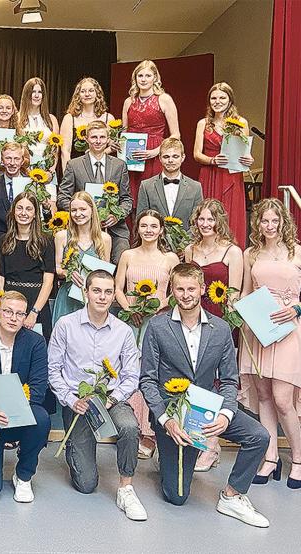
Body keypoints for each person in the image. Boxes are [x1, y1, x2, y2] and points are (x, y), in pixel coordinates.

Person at [139, 263, 270, 526]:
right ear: (172, 290)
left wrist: (225, 414)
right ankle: (165, 454)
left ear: (202, 289)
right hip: (173, 414)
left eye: (191, 288)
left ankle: (232, 496)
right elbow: (147, 380)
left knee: (259, 436)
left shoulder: (220, 329)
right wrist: (167, 421)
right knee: (176, 497)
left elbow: (231, 380)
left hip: (210, 410)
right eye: (180, 289)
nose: (186, 295)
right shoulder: (157, 326)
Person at [48, 269, 146, 521]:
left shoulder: (124, 331)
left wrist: (112, 399)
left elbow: (131, 376)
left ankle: (126, 487)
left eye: (108, 292)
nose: (102, 297)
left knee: (129, 427)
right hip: (77, 401)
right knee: (86, 484)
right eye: (97, 291)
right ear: (86, 292)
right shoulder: (65, 325)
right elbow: (53, 371)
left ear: (114, 296)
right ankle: (75, 448)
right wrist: (72, 400)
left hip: (111, 398)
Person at [238, 198, 301, 488]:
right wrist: (238, 309)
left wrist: (296, 309)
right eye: (265, 220)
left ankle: (298, 458)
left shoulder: (297, 252)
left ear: (283, 222)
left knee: (282, 399)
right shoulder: (251, 253)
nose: (270, 226)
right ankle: (271, 458)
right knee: (263, 395)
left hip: (287, 328)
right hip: (258, 329)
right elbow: (246, 293)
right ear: (258, 223)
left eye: (275, 220)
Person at [0, 291, 50, 503]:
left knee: (41, 418)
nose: (14, 318)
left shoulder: (36, 343)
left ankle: (23, 475)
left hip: (20, 416)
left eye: (20, 314)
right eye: (8, 311)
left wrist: (14, 410)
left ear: (25, 317)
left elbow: (39, 388)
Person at [116, 210, 180, 457]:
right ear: (138, 229)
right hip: (133, 321)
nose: (149, 230)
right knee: (132, 371)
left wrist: (162, 305)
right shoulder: (127, 255)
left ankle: (152, 432)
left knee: (153, 374)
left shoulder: (170, 258)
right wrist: (129, 308)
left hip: (159, 321)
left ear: (161, 229)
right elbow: (118, 287)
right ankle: (130, 428)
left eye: (154, 226)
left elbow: (176, 291)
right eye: (144, 225)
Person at [58, 120, 132, 263]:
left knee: (121, 260)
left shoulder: (119, 165)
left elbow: (126, 199)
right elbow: (63, 197)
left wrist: (116, 215)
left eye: (102, 137)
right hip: (82, 229)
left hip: (113, 228)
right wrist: (81, 213)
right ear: (86, 139)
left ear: (108, 139)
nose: (98, 141)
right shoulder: (74, 165)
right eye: (94, 137)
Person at [193, 82, 253, 246]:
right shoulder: (203, 123)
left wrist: (249, 160)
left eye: (222, 97)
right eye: (213, 98)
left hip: (231, 176)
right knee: (207, 215)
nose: (217, 101)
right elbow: (196, 154)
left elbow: (244, 153)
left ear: (230, 100)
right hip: (209, 175)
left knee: (231, 216)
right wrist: (212, 160)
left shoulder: (241, 122)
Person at [121, 60, 181, 200]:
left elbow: (176, 135)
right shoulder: (128, 101)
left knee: (153, 196)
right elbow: (124, 132)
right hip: (132, 154)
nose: (143, 79)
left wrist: (156, 152)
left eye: (148, 75)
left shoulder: (164, 99)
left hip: (154, 152)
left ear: (155, 77)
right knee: (130, 195)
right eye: (140, 75)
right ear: (135, 78)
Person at [0, 193, 55, 338]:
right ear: (13, 211)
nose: (23, 213)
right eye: (19, 208)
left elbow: (48, 282)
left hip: (37, 304)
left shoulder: (46, 242)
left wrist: (34, 312)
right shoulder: (3, 242)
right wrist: (1, 308)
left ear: (35, 214)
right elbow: (0, 278)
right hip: (10, 303)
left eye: (29, 209)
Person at [52, 191, 111, 324]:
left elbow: (105, 274)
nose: (78, 214)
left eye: (83, 209)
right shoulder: (61, 236)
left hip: (93, 300)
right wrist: (68, 273)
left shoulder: (104, 239)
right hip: (68, 297)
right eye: (74, 210)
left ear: (92, 210)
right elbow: (57, 268)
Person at [135, 138, 203, 232]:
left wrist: (184, 243)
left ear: (182, 158)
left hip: (186, 243)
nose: (170, 160)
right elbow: (141, 220)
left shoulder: (195, 187)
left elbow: (197, 222)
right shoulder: (146, 186)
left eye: (175, 156)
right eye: (166, 157)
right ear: (160, 158)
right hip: (155, 242)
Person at [59, 77, 115, 169]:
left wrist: (95, 155)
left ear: (97, 93)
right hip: (77, 169)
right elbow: (65, 152)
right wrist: (68, 176)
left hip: (101, 167)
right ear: (78, 95)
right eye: (83, 91)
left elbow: (113, 145)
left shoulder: (108, 118)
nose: (87, 94)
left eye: (91, 91)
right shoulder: (69, 118)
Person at [16, 77, 60, 171]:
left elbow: (55, 151)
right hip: (23, 170)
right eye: (33, 92)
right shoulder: (17, 118)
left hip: (46, 171)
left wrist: (50, 172)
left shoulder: (52, 119)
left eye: (39, 92)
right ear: (26, 94)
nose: (36, 95)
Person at [0, 142, 30, 239]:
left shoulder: (30, 183)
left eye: (16, 159)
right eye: (8, 158)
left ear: (22, 161)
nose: (12, 163)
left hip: (25, 237)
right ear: (2, 160)